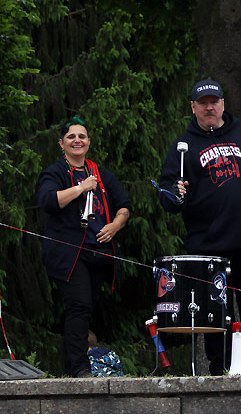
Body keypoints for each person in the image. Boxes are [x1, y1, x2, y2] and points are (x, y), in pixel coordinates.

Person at [158, 78, 241, 374]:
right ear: (193, 108)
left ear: (223, 104)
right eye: (203, 103)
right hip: (210, 243)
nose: (209, 107)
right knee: (214, 309)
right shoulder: (184, 146)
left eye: (214, 102)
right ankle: (220, 368)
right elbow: (167, 194)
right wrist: (176, 194)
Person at [36, 117, 131, 377]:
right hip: (68, 254)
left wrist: (115, 225)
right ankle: (78, 369)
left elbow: (124, 205)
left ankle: (77, 366)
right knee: (78, 305)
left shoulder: (101, 173)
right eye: (71, 137)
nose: (77, 140)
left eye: (82, 136)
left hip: (98, 253)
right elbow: (48, 200)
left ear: (88, 142)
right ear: (62, 143)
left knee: (85, 308)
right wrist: (81, 187)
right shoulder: (55, 172)